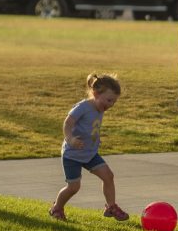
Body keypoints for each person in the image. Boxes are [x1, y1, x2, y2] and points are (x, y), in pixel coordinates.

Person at [50, 73, 129, 222]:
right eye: (109, 100)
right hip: (72, 154)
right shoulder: (83, 107)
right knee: (73, 187)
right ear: (95, 93)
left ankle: (110, 207)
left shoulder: (100, 108)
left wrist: (96, 139)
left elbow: (90, 127)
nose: (111, 104)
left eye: (114, 102)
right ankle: (57, 208)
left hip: (90, 153)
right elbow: (68, 123)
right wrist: (70, 139)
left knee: (108, 176)